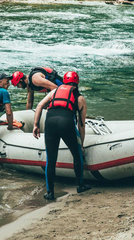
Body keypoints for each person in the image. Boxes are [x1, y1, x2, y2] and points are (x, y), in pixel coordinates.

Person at [32, 71, 91, 200]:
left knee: (51, 159)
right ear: (77, 83)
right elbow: (81, 124)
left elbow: (40, 105)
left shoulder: (55, 91)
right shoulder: (80, 98)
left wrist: (35, 125)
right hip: (66, 123)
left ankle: (50, 192)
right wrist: (82, 143)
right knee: (77, 154)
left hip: (50, 123)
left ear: (64, 81)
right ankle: (80, 185)